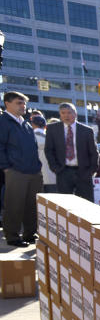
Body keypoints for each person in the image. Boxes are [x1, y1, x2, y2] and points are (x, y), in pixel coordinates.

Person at [0, 91, 43, 246]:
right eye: (19, 103)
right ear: (7, 103)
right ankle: (12, 237)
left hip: (33, 171)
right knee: (14, 205)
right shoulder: (3, 121)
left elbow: (33, 146)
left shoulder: (25, 123)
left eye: (24, 103)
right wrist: (6, 168)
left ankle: (30, 234)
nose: (23, 106)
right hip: (15, 171)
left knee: (32, 206)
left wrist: (38, 167)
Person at [44, 102, 98, 201]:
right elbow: (49, 150)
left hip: (83, 172)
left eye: (69, 112)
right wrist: (55, 168)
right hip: (63, 171)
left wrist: (91, 170)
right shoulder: (52, 129)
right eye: (63, 113)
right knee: (65, 204)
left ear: (75, 114)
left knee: (87, 203)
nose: (66, 116)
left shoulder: (86, 131)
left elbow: (93, 153)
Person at [31, 113, 57, 193]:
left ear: (32, 125)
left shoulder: (28, 138)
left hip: (33, 178)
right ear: (45, 126)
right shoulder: (53, 140)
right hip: (52, 178)